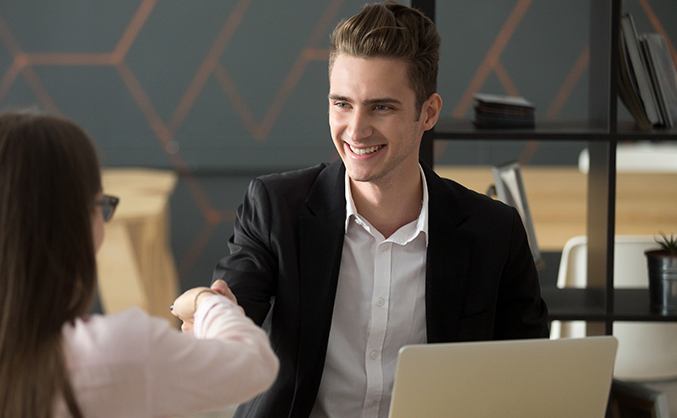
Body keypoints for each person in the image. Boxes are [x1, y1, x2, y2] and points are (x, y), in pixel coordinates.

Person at [202, 2, 549, 418]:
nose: (356, 129)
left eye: (381, 107)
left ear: (429, 112)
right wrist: (208, 309)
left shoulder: (495, 233)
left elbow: (530, 380)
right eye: (342, 104)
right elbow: (229, 302)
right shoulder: (277, 208)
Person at [0, 112, 278, 418]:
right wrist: (205, 302)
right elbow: (254, 363)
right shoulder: (120, 351)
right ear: (77, 222)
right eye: (102, 206)